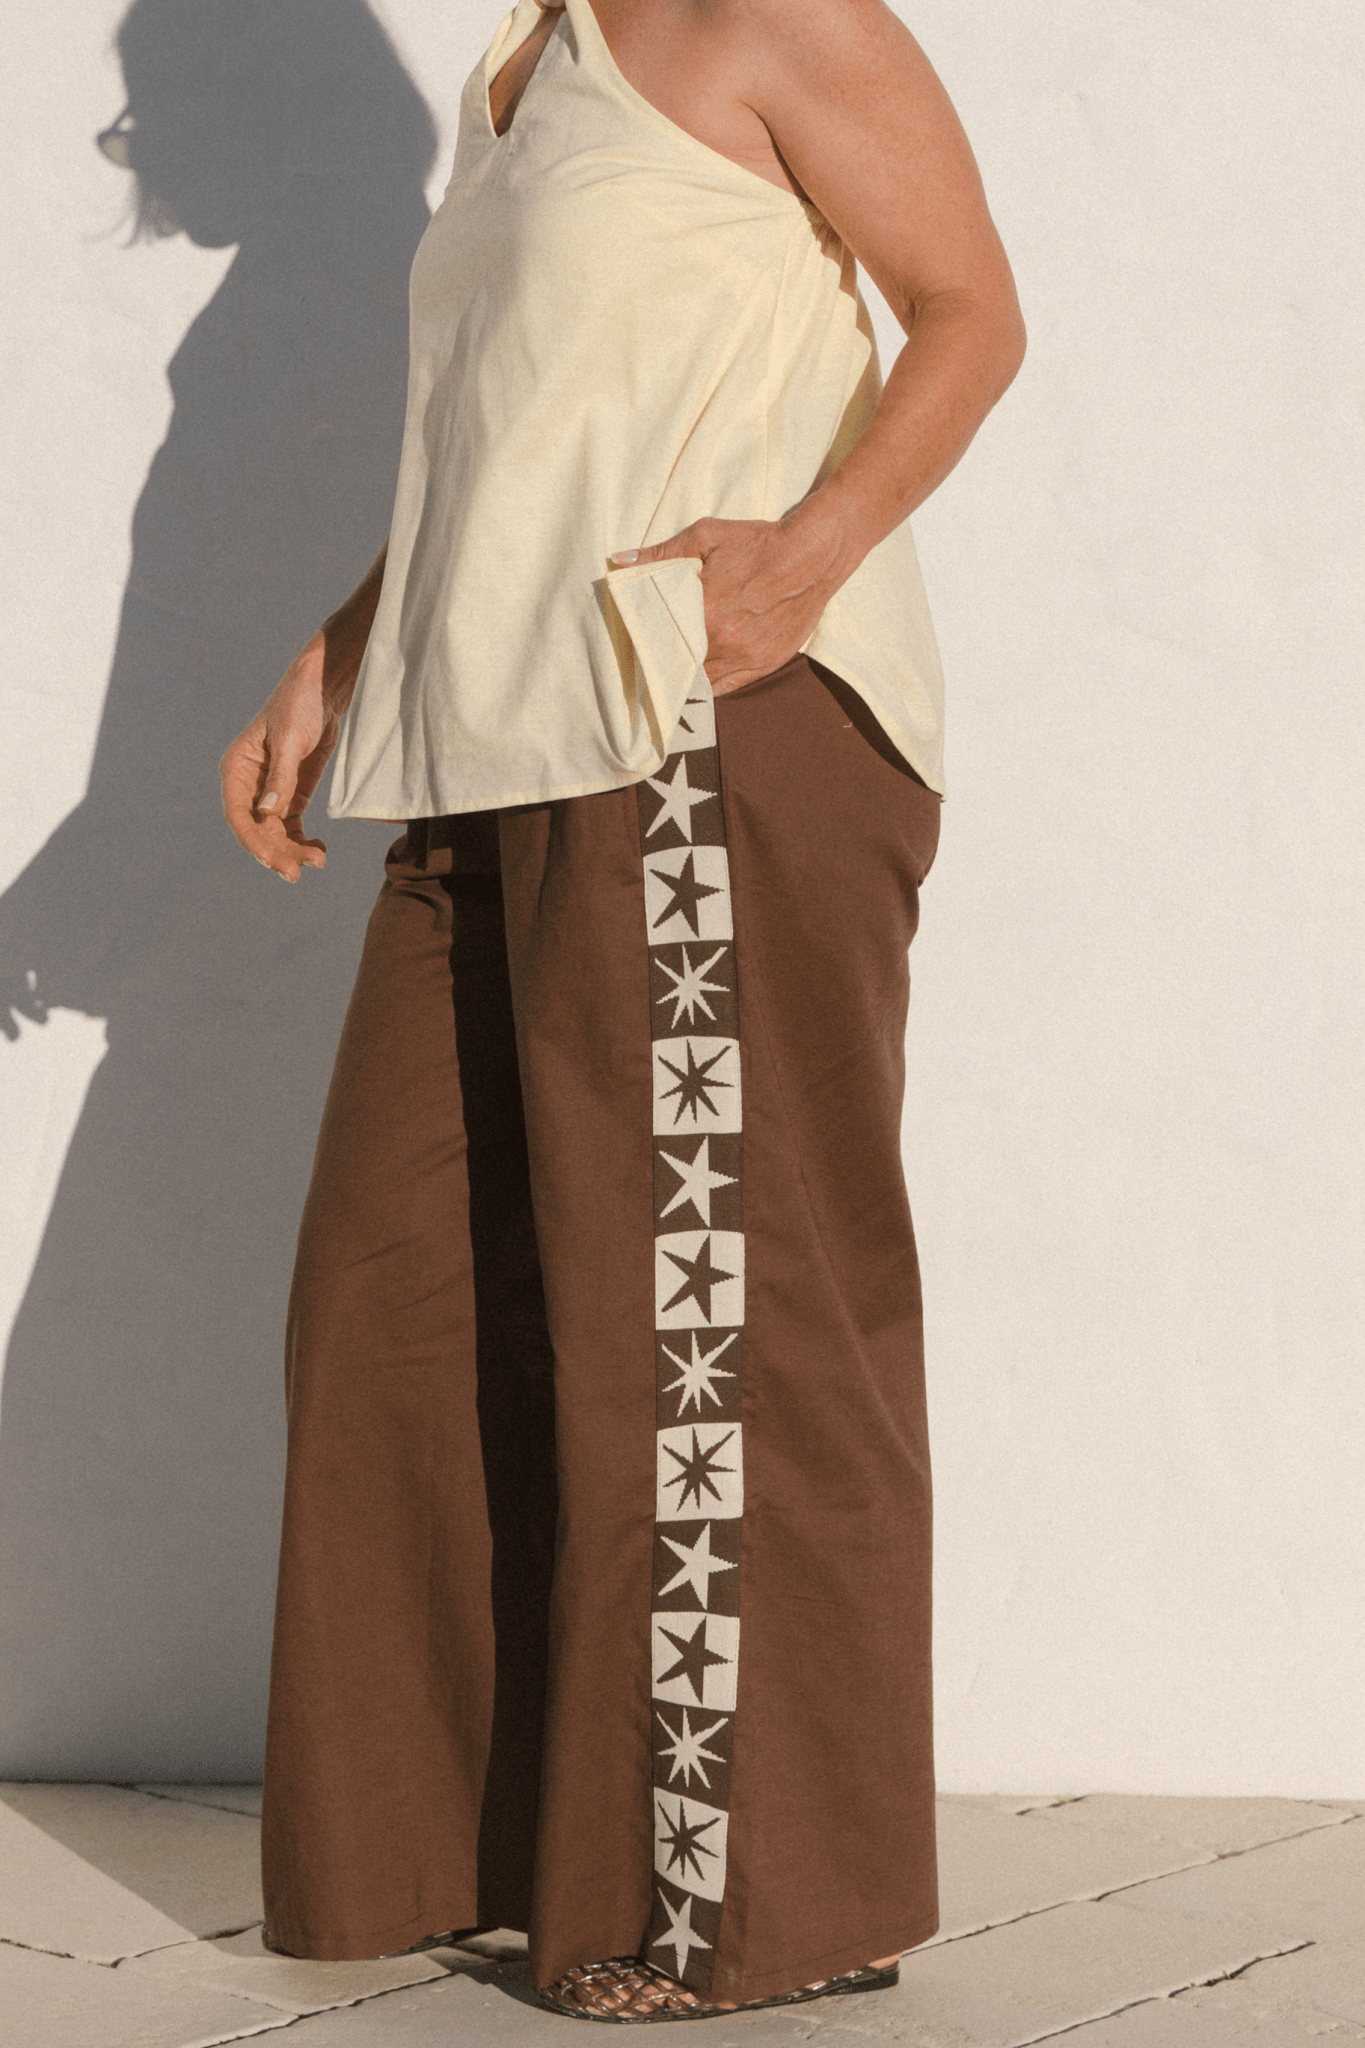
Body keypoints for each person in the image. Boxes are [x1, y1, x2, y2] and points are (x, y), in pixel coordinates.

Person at [220, 0, 1023, 2021]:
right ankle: (491, 1841)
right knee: (400, 1293)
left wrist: (806, 560)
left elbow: (970, 313)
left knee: (707, 1320)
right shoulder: (526, 74)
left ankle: (744, 1905)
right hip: (491, 741)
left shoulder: (780, 18)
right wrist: (346, 643)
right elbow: (523, 435)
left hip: (696, 729)